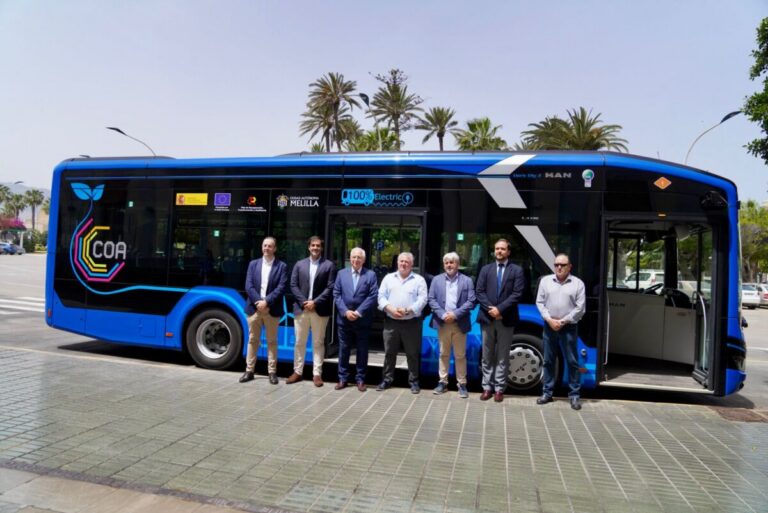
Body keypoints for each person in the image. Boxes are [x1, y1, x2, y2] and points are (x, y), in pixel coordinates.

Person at [535, 253, 586, 410]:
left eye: (562, 265)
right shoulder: (545, 281)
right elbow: (539, 302)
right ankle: (547, 393)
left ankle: (574, 396)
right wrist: (550, 320)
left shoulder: (578, 284)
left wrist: (563, 321)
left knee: (572, 361)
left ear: (569, 267)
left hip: (568, 326)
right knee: (548, 360)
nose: (559, 267)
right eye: (556, 264)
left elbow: (580, 308)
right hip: (549, 325)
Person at [475, 239, 525, 402]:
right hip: (487, 318)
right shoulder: (485, 269)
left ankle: (499, 389)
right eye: (497, 248)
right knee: (487, 355)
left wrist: (500, 309)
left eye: (503, 249)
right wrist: (491, 309)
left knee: (503, 355)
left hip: (506, 318)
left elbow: (517, 293)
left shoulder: (516, 270)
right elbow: (479, 291)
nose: (499, 251)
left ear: (508, 252)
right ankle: (487, 387)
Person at [287, 236, 336, 387]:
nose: (315, 248)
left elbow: (330, 287)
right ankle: (298, 372)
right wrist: (304, 302)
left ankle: (317, 374)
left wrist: (315, 302)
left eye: (318, 246)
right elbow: (293, 285)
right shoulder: (299, 264)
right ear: (308, 247)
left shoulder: (329, 265)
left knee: (318, 342)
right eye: (313, 245)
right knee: (299, 342)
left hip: (319, 310)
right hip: (301, 309)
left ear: (321, 248)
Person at [376, 252, 428, 394]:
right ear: (397, 263)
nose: (403, 264)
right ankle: (387, 379)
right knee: (389, 353)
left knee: (412, 353)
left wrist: (408, 310)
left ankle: (414, 381)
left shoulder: (419, 280)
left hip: (411, 323)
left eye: (406, 262)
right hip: (391, 322)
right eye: (401, 261)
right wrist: (390, 309)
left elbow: (423, 299)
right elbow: (380, 297)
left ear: (412, 264)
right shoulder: (388, 278)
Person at [239, 237, 288, 385]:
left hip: (271, 309)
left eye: (270, 246)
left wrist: (267, 301)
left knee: (272, 341)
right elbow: (248, 286)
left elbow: (281, 287)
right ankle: (249, 371)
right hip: (254, 309)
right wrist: (258, 302)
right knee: (253, 340)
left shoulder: (282, 266)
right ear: (262, 248)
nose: (267, 248)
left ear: (275, 249)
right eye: (265, 246)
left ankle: (272, 372)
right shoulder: (253, 264)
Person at [428, 252, 476, 398]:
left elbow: (471, 301)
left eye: (452, 262)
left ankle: (462, 384)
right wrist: (443, 314)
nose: (449, 265)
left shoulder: (467, 280)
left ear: (457, 264)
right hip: (443, 323)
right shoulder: (436, 280)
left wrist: (455, 314)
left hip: (459, 323)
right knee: (443, 354)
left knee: (460, 355)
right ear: (444, 265)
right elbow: (431, 299)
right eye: (447, 262)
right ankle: (442, 382)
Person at [333, 247, 378, 392]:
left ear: (364, 260)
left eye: (359, 257)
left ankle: (360, 379)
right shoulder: (341, 274)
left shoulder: (370, 275)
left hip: (362, 320)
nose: (356, 260)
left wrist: (358, 312)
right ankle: (343, 378)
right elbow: (337, 294)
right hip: (344, 319)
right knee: (344, 349)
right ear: (350, 258)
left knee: (362, 350)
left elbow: (372, 296)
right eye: (353, 257)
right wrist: (345, 311)